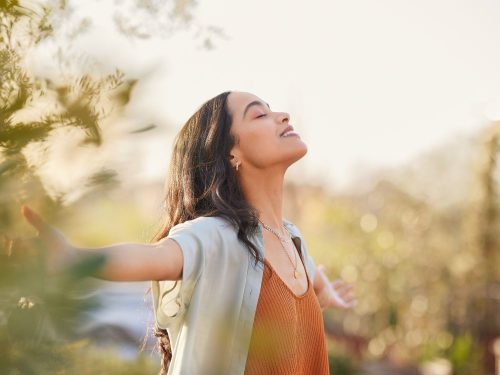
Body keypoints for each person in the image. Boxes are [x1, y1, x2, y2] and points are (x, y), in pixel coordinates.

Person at [20, 91, 357, 375]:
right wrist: (75, 259)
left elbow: (307, 276)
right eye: (260, 116)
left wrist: (323, 291)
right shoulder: (217, 236)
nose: (282, 116)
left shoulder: (292, 240)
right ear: (231, 153)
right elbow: (156, 257)